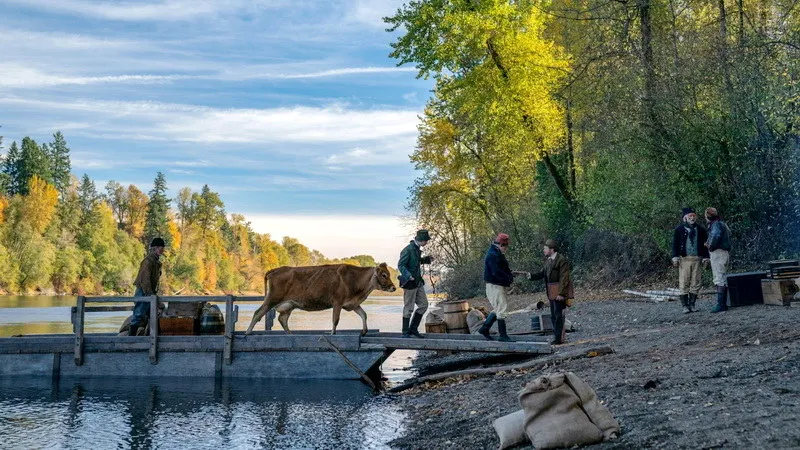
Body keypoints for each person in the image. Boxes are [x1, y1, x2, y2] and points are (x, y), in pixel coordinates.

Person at [478, 233, 523, 342]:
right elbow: (496, 272)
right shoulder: (493, 255)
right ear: (500, 245)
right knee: (502, 309)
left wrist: (510, 274)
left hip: (495, 285)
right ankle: (503, 336)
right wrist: (509, 278)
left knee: (498, 309)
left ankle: (484, 328)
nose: (506, 249)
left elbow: (501, 269)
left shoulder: (495, 253)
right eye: (505, 246)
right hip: (495, 286)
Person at [527, 239, 573, 345]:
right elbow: (542, 273)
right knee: (554, 316)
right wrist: (530, 276)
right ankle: (558, 338)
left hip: (558, 293)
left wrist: (561, 294)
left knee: (558, 316)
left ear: (551, 249)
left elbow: (564, 278)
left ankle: (558, 339)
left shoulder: (561, 260)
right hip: (552, 293)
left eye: (545, 248)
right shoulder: (548, 261)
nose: (544, 250)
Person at [671, 207, 710, 313]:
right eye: (690, 216)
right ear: (685, 218)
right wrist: (675, 257)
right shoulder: (679, 229)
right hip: (684, 259)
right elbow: (675, 244)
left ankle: (692, 304)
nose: (692, 218)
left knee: (696, 282)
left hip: (697, 258)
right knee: (684, 282)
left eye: (693, 216)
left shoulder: (701, 230)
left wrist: (706, 258)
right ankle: (685, 306)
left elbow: (705, 245)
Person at [398, 229, 433, 338]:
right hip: (410, 282)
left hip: (418, 282)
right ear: (421, 240)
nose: (427, 242)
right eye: (426, 240)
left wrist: (426, 260)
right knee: (409, 307)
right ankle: (405, 332)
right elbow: (401, 265)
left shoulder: (417, 249)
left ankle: (413, 329)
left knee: (424, 305)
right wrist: (408, 275)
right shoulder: (408, 250)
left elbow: (416, 261)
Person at [129, 237, 165, 336]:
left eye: (162, 249)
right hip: (143, 292)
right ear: (155, 248)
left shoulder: (156, 262)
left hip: (149, 293)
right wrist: (151, 296)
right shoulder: (148, 261)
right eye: (160, 248)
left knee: (153, 315)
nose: (162, 251)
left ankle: (153, 337)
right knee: (138, 315)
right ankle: (129, 340)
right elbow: (145, 281)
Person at [705, 207, 731, 313]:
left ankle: (721, 304)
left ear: (707, 215)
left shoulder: (715, 224)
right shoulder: (722, 223)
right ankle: (722, 303)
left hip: (718, 252)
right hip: (724, 252)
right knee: (722, 277)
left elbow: (715, 237)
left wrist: (709, 245)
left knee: (719, 277)